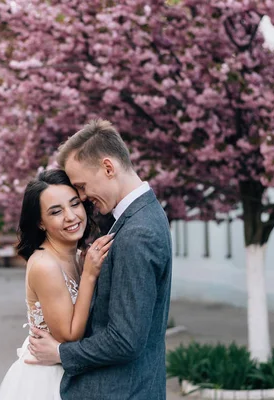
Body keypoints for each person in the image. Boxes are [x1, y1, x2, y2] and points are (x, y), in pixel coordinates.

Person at [26, 120, 173, 399]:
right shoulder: (140, 217)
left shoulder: (137, 232)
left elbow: (125, 341)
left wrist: (59, 352)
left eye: (81, 187)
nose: (82, 197)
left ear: (108, 168)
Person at [0, 169, 113, 400]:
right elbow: (69, 335)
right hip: (47, 380)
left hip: (75, 374)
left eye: (75, 204)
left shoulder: (78, 254)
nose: (71, 216)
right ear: (40, 222)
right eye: (56, 211)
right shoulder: (45, 265)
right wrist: (89, 275)